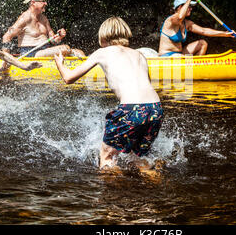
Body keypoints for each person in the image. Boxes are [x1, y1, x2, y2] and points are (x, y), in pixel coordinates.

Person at [54, 17, 164, 170]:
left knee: (107, 157)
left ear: (103, 36)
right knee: (139, 158)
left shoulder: (102, 52)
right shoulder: (139, 55)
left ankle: (111, 193)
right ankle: (156, 188)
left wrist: (60, 63)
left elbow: (68, 78)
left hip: (132, 109)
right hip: (155, 109)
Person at [1, 0, 85, 58]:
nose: (46, 3)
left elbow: (53, 40)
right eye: (43, 1)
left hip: (45, 51)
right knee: (65, 48)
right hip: (31, 54)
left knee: (79, 52)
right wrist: (6, 59)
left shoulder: (44, 18)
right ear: (33, 2)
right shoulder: (24, 18)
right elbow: (6, 37)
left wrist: (59, 36)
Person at [158, 0, 236, 57]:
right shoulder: (171, 20)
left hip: (179, 54)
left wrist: (225, 34)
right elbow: (180, 16)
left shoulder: (187, 23)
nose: (191, 9)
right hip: (166, 55)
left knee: (202, 43)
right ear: (180, 7)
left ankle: (196, 67)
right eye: (189, 6)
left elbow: (204, 31)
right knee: (180, 56)